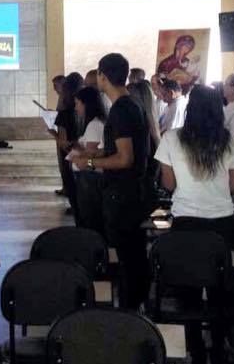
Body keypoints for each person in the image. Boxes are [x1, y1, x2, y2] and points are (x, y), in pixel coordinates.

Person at [152, 85, 234, 364]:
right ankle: (219, 345)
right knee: (219, 285)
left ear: (190, 109)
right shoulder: (230, 139)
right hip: (222, 222)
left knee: (187, 284)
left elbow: (169, 184)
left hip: (186, 221)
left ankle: (194, 346)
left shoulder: (171, 138)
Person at [82, 53, 152, 310]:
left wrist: (90, 164)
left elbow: (125, 158)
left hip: (123, 194)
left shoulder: (122, 109)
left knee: (128, 257)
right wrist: (98, 154)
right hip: (131, 191)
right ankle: (135, 305)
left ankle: (129, 311)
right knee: (132, 255)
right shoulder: (131, 104)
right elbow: (122, 149)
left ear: (102, 76)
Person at [68, 86, 107, 234]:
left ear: (86, 104)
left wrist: (77, 154)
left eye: (77, 103)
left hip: (91, 178)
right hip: (90, 177)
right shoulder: (95, 123)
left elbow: (91, 156)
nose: (76, 108)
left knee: (90, 220)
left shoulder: (94, 125)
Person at [52, 74, 84, 214]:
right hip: (82, 153)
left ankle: (76, 207)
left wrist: (53, 134)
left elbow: (64, 144)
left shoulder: (65, 113)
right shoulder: (85, 111)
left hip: (73, 155)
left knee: (71, 178)